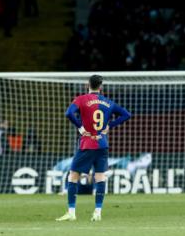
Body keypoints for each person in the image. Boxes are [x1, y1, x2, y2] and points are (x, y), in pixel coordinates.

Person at [56, 74, 131, 222]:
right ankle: (98, 212)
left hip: (87, 143)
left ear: (87, 84)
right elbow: (127, 115)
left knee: (73, 176)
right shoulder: (108, 102)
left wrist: (80, 127)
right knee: (100, 177)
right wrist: (110, 126)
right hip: (102, 144)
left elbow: (69, 113)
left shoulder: (81, 99)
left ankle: (71, 212)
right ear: (101, 87)